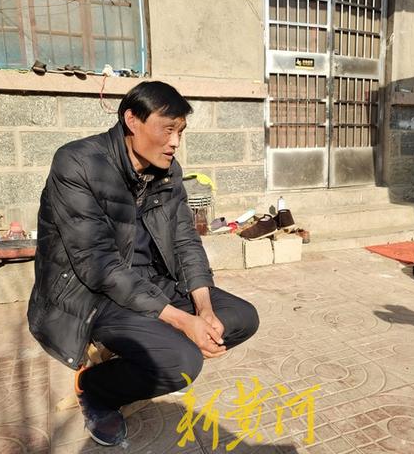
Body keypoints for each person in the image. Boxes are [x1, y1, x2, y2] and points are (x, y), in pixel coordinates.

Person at [27, 81, 259, 446]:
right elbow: (98, 265)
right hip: (92, 294)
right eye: (167, 130)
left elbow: (185, 241)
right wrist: (183, 321)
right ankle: (95, 388)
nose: (175, 142)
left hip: (150, 281)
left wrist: (203, 308)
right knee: (183, 362)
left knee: (242, 318)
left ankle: (151, 353)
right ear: (132, 120)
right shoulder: (77, 163)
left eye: (180, 131)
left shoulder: (168, 171)